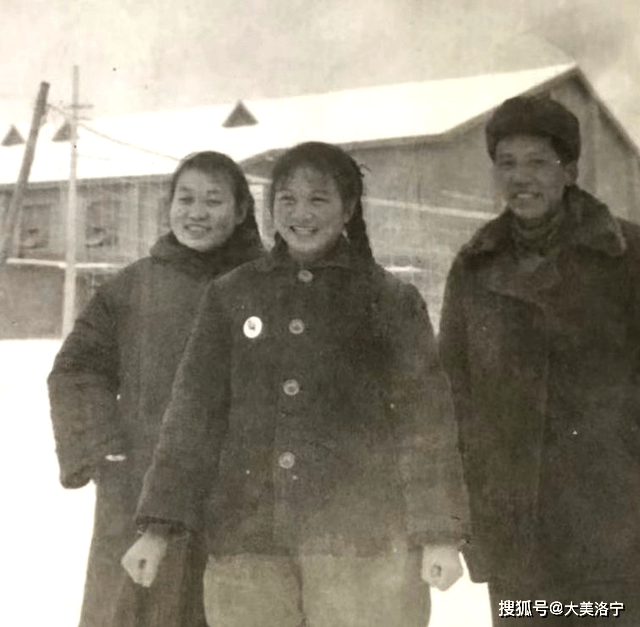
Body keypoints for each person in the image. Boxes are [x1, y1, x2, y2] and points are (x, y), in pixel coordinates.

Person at [122, 141, 469, 627]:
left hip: (363, 547)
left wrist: (440, 533)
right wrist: (157, 527)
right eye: (286, 199)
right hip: (249, 543)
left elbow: (426, 424)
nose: (300, 214)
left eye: (318, 199)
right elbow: (192, 416)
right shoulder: (232, 295)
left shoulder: (390, 300)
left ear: (348, 208)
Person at [439, 95, 640, 625]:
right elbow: (452, 394)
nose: (520, 178)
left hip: (614, 528)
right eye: (506, 163)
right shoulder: (474, 266)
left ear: (569, 171)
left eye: (537, 162)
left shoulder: (627, 256)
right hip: (516, 532)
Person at [47, 151, 264, 627]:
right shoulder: (132, 287)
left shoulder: (268, 285)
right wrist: (103, 445)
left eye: (213, 200)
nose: (196, 213)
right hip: (141, 490)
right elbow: (76, 368)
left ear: (241, 211)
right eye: (185, 199)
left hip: (241, 492)